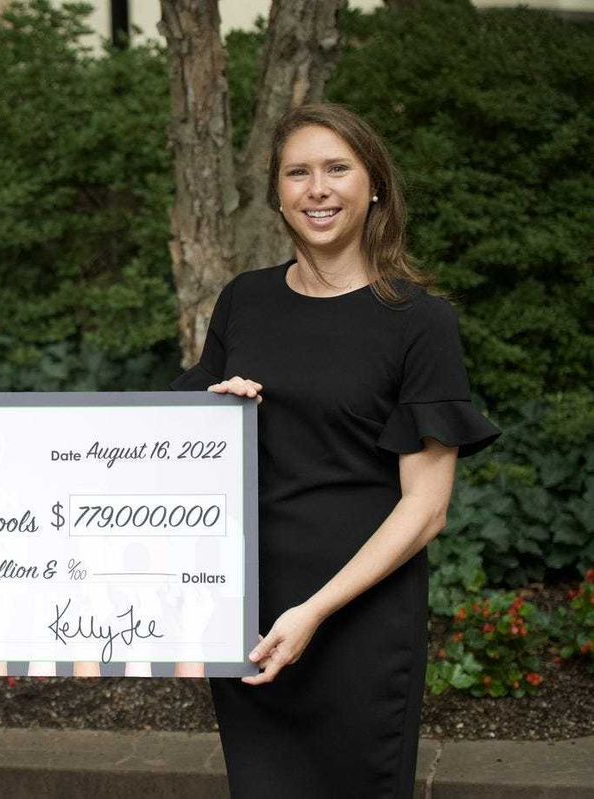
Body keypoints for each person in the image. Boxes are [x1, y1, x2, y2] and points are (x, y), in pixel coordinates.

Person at [172, 104, 499, 797]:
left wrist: (315, 610)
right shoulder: (244, 302)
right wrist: (212, 413)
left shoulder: (419, 322)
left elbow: (427, 507)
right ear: (279, 194)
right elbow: (180, 454)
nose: (317, 189)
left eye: (336, 169)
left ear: (373, 184)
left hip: (359, 617)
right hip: (251, 608)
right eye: (298, 173)